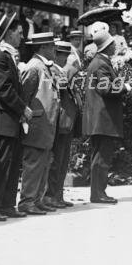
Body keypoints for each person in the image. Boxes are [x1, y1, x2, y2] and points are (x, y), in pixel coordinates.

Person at [0, 14, 32, 221]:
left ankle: (6, 204)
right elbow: (5, 90)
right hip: (3, 120)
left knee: (11, 163)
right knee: (0, 164)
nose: (21, 37)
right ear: (9, 33)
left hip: (11, 120)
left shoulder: (8, 56)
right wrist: (23, 109)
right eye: (19, 33)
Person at [82, 30, 132, 204]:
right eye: (113, 44)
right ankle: (98, 194)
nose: (115, 46)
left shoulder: (99, 62)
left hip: (100, 119)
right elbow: (106, 89)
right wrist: (124, 87)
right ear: (108, 46)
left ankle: (98, 192)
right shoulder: (101, 64)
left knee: (100, 156)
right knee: (101, 157)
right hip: (102, 119)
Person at [18, 33, 60, 215]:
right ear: (43, 47)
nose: (54, 49)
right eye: (52, 46)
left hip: (45, 124)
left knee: (43, 163)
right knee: (34, 163)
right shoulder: (34, 67)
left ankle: (37, 199)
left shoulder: (43, 66)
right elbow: (23, 97)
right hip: (36, 123)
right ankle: (27, 201)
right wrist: (25, 119)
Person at [45, 41, 81, 208]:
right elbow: (62, 85)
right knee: (56, 161)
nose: (64, 57)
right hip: (58, 121)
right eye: (61, 54)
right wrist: (73, 68)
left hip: (67, 121)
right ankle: (50, 195)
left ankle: (58, 194)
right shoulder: (52, 70)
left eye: (66, 54)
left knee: (63, 160)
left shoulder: (62, 70)